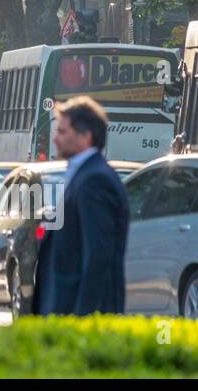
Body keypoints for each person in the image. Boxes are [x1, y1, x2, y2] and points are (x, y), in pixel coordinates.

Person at [33, 97, 130, 316]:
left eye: (62, 132)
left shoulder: (95, 181)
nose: (55, 139)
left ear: (86, 136)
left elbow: (98, 254)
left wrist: (83, 316)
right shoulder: (83, 174)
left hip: (76, 310)